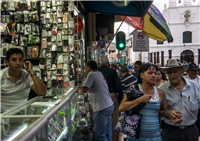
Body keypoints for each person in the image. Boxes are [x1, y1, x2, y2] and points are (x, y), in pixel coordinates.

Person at [119, 63, 180, 141]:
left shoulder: (160, 92)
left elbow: (163, 111)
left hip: (154, 137)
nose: (154, 75)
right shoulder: (134, 89)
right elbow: (121, 107)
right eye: (150, 73)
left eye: (155, 73)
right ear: (141, 75)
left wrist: (170, 114)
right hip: (135, 137)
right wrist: (140, 100)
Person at [159, 59, 200, 141]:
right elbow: (155, 111)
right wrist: (166, 113)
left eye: (175, 72)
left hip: (191, 131)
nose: (172, 75)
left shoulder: (196, 87)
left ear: (182, 72)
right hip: (170, 131)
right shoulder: (162, 89)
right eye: (170, 73)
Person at [0, 48, 47, 113]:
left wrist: (31, 71)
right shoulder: (1, 75)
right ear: (7, 62)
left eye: (20, 60)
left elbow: (42, 93)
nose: (18, 63)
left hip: (22, 114)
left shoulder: (27, 75)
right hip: (3, 114)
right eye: (14, 60)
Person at [78, 60, 114, 141]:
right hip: (108, 106)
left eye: (86, 68)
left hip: (101, 108)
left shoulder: (91, 74)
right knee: (107, 133)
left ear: (89, 68)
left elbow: (84, 89)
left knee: (99, 135)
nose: (85, 70)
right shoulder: (99, 73)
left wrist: (74, 90)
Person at [98, 56, 123, 141]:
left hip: (99, 97)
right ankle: (112, 139)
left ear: (100, 63)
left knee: (100, 119)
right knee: (113, 120)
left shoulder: (96, 72)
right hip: (112, 96)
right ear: (108, 63)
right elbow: (118, 85)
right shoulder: (112, 71)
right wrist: (120, 97)